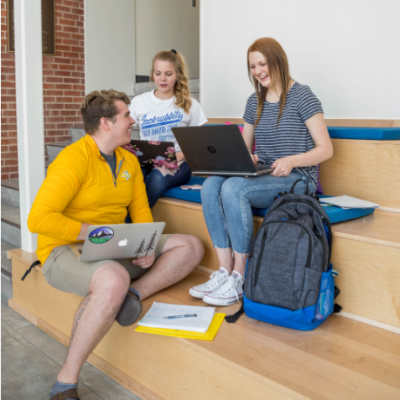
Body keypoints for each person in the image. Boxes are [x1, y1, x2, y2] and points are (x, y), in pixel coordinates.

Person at [28, 89, 204, 400]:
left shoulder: (127, 160)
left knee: (191, 246)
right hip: (64, 250)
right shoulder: (72, 160)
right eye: (126, 116)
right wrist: (94, 233)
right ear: (106, 123)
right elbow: (38, 219)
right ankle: (66, 382)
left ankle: (133, 296)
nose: (133, 121)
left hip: (113, 242)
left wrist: (147, 244)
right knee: (113, 278)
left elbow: (139, 211)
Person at [189, 37, 333, 306]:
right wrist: (248, 157)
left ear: (278, 60)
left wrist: (292, 160)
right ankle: (224, 270)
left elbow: (326, 149)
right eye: (252, 66)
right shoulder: (254, 100)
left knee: (233, 188)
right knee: (211, 185)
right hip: (266, 174)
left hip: (299, 178)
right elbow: (242, 149)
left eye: (262, 63)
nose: (257, 71)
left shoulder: (302, 96)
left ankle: (240, 277)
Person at [126, 49, 208, 209]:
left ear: (177, 75)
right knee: (129, 178)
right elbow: (123, 127)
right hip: (146, 162)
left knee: (157, 178)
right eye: (158, 73)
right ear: (152, 74)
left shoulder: (190, 104)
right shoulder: (140, 101)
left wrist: (180, 155)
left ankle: (129, 224)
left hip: (179, 163)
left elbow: (201, 141)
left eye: (168, 74)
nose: (162, 79)